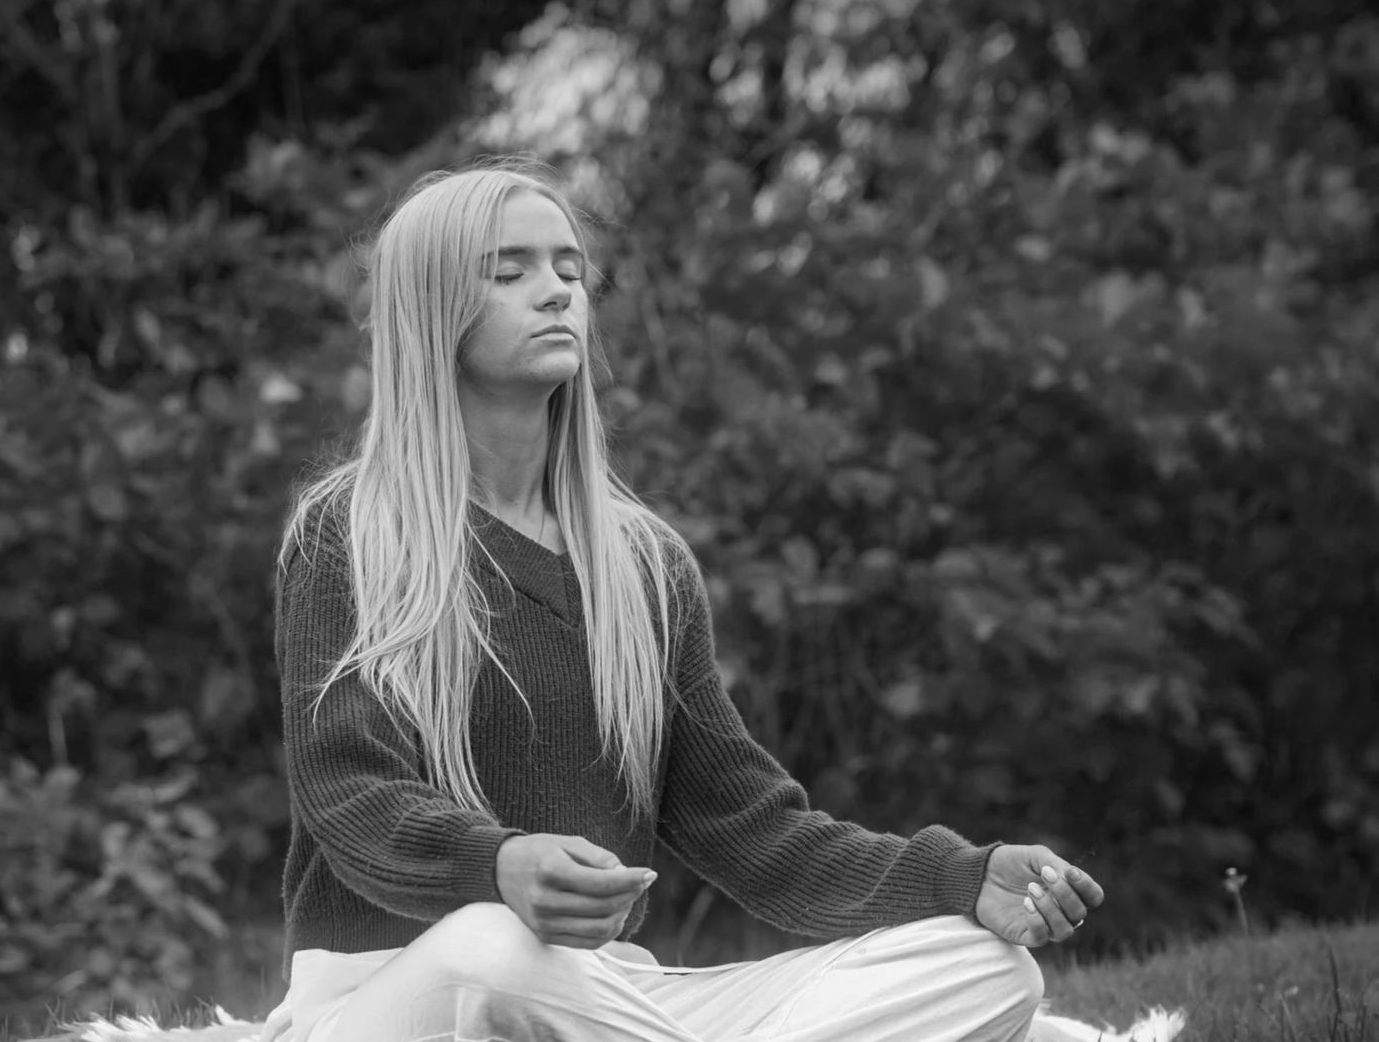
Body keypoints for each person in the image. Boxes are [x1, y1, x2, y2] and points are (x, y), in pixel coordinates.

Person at [262, 158, 1102, 1042]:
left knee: (984, 966)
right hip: (397, 998)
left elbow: (754, 829)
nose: (555, 292)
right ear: (430, 311)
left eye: (570, 270)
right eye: (509, 273)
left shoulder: (642, 564)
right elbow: (350, 792)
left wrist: (960, 880)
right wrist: (497, 862)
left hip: (607, 1005)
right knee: (491, 948)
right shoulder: (348, 532)